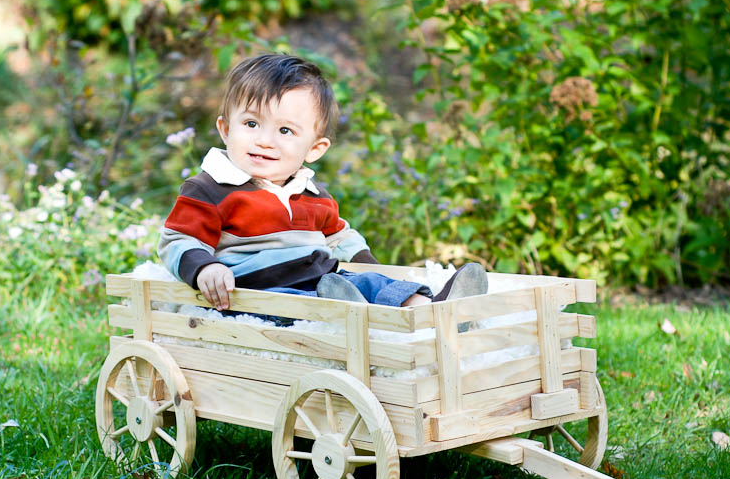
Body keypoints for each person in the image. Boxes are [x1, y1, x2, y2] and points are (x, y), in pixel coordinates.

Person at [158, 53, 487, 311]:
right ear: (226, 129)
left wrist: (369, 265)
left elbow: (339, 236)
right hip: (260, 292)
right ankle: (349, 311)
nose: (264, 140)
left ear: (314, 149)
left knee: (371, 282)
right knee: (300, 304)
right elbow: (178, 241)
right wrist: (205, 270)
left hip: (323, 280)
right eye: (251, 123)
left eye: (285, 131)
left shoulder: (312, 194)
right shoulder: (209, 188)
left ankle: (433, 312)